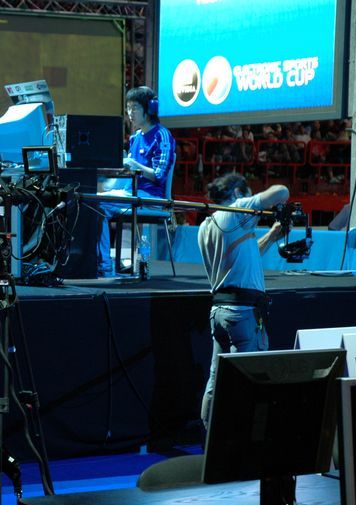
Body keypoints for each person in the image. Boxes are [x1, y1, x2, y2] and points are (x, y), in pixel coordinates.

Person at [198, 173, 289, 428]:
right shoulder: (237, 210)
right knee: (247, 380)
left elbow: (244, 256)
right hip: (242, 312)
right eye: (247, 192)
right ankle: (238, 436)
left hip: (220, 311)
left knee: (216, 379)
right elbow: (281, 191)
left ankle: (209, 435)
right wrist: (255, 201)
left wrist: (272, 235)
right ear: (238, 193)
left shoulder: (207, 225)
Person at [97, 86, 176, 276]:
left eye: (135, 108)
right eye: (128, 108)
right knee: (92, 201)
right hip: (129, 192)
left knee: (98, 203)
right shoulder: (134, 138)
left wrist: (133, 164)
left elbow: (159, 175)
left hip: (151, 197)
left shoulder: (162, 135)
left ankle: (104, 266)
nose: (130, 113)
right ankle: (101, 263)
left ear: (149, 109)